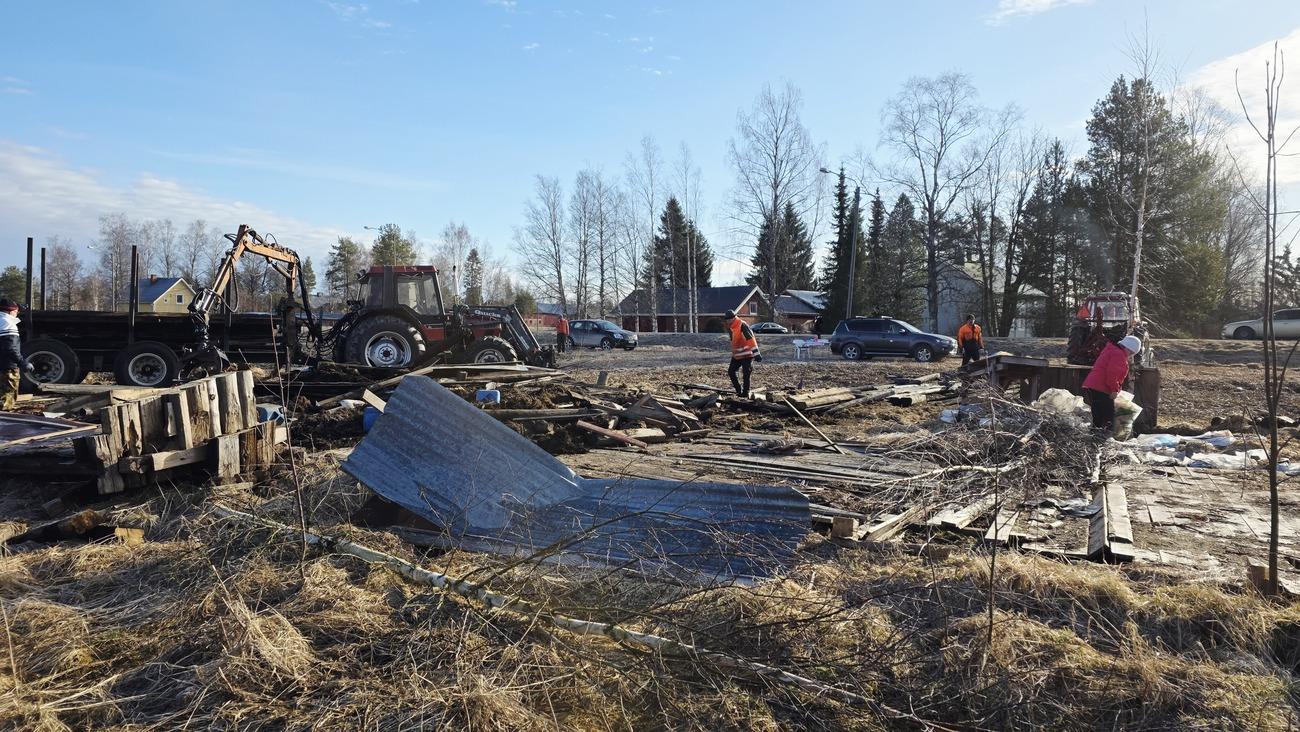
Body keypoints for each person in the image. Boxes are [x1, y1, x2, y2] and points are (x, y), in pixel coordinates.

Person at [1082, 335, 1142, 435]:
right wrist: (1114, 390)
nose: (1130, 355)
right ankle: (1104, 437)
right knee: (1108, 416)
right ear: (1127, 348)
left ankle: (1095, 436)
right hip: (1101, 387)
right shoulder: (1118, 355)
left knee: (1098, 414)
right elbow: (1112, 375)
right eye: (1131, 352)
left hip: (1095, 385)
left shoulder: (1111, 350)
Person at [724, 309, 761, 397]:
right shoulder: (730, 327)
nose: (727, 321)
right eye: (727, 319)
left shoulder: (742, 325)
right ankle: (738, 390)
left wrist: (756, 353)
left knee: (746, 373)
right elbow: (734, 341)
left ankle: (745, 393)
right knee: (731, 371)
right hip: (737, 355)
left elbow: (751, 339)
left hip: (747, 354)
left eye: (729, 319)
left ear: (734, 318)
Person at [0, 299, 24, 411]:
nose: (17, 313)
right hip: (7, 367)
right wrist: (23, 363)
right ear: (11, 311)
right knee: (6, 399)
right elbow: (10, 348)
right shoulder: (8, 323)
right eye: (17, 311)